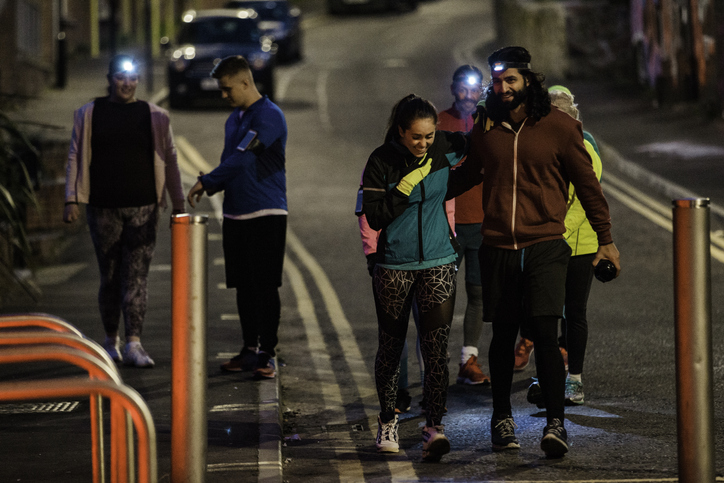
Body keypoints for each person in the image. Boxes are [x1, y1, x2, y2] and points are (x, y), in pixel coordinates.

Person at [448, 46, 621, 458]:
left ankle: (556, 424)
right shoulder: (485, 125)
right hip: (498, 246)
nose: (504, 87)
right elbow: (468, 175)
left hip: (545, 244)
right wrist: (423, 192)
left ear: (528, 80)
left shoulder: (560, 127)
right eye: (498, 81)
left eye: (511, 80)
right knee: (504, 334)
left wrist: (606, 239)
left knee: (545, 333)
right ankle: (501, 418)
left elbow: (589, 187)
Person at [358, 94, 467, 461]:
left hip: (437, 261)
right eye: (417, 137)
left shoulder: (444, 148)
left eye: (430, 136)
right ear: (401, 132)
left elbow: (479, 147)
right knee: (391, 349)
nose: (424, 144)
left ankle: (434, 426)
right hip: (394, 265)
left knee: (436, 350)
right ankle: (387, 421)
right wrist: (404, 187)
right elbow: (374, 216)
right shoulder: (381, 161)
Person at [63, 54, 185, 367]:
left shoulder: (154, 115)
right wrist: (71, 199)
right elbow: (75, 155)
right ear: (110, 78)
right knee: (110, 277)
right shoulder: (89, 113)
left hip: (144, 206)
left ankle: (135, 343)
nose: (127, 83)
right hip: (103, 207)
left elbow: (170, 159)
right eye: (120, 77)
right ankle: (111, 340)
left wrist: (179, 203)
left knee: (136, 277)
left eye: (132, 78)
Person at [187, 55, 287, 380]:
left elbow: (244, 159)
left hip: (266, 211)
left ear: (245, 82)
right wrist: (213, 186)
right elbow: (230, 161)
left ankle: (267, 353)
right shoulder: (233, 119)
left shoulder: (270, 117)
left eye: (227, 88)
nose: (224, 95)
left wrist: (209, 181)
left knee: (265, 285)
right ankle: (248, 350)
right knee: (243, 287)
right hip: (235, 212)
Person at [525, 85, 603, 407]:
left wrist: (555, 231)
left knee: (574, 313)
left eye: (564, 114)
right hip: (548, 241)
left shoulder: (586, 147)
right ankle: (547, 379)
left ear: (573, 116)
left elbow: (586, 200)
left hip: (579, 244)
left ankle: (575, 380)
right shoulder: (541, 144)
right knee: (545, 313)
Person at [438, 64, 490, 386]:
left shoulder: (489, 123)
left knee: (479, 292)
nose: (468, 96)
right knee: (442, 294)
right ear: (453, 88)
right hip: (449, 225)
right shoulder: (439, 123)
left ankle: (468, 358)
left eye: (474, 90)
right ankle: (435, 361)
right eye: (462, 88)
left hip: (484, 224)